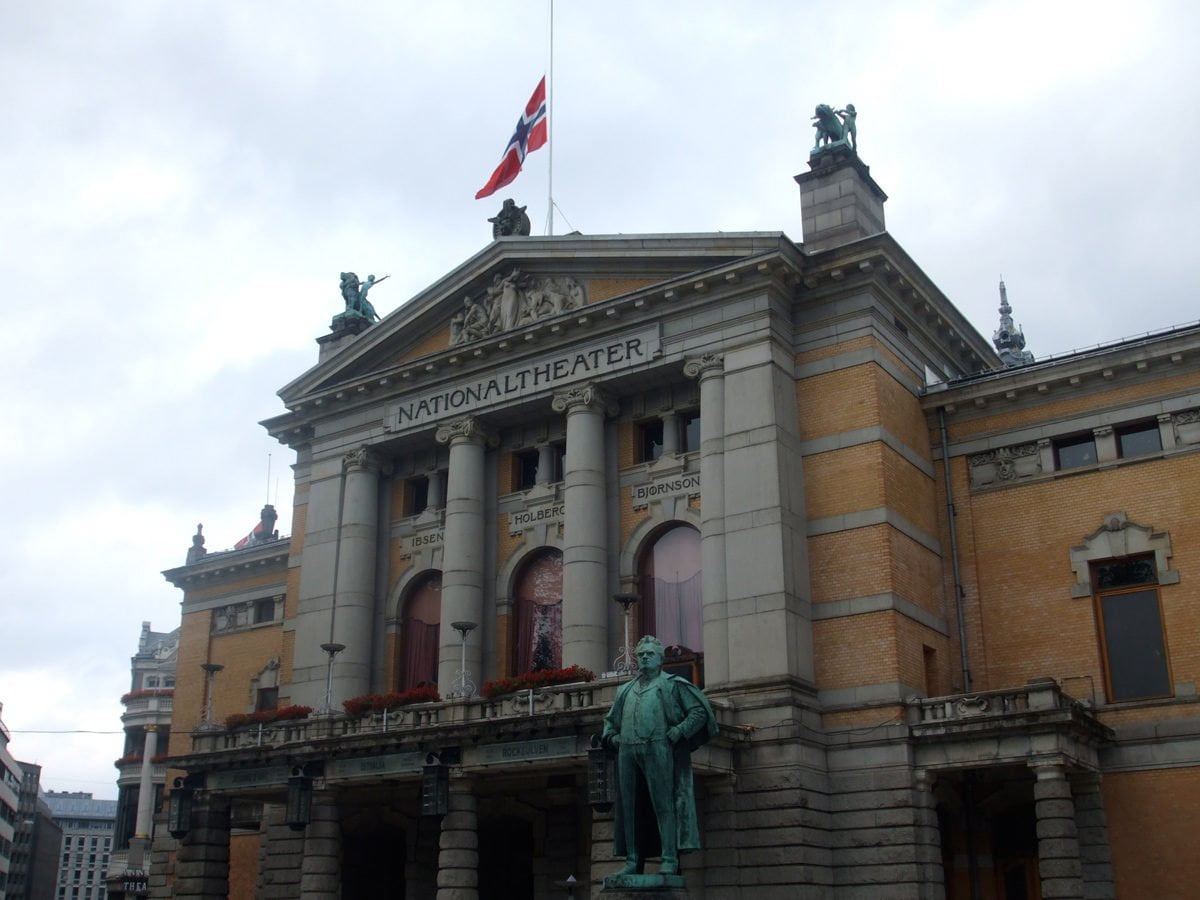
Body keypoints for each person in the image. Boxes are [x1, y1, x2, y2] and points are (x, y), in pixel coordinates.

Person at [601, 635, 718, 877]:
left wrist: (679, 731)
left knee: (663, 805)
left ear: (660, 659)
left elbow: (698, 712)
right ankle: (633, 861)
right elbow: (610, 723)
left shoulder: (673, 684)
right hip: (628, 750)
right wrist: (613, 738)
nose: (644, 657)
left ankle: (669, 858)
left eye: (649, 654)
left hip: (659, 747)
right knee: (630, 808)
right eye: (641, 654)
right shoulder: (625, 690)